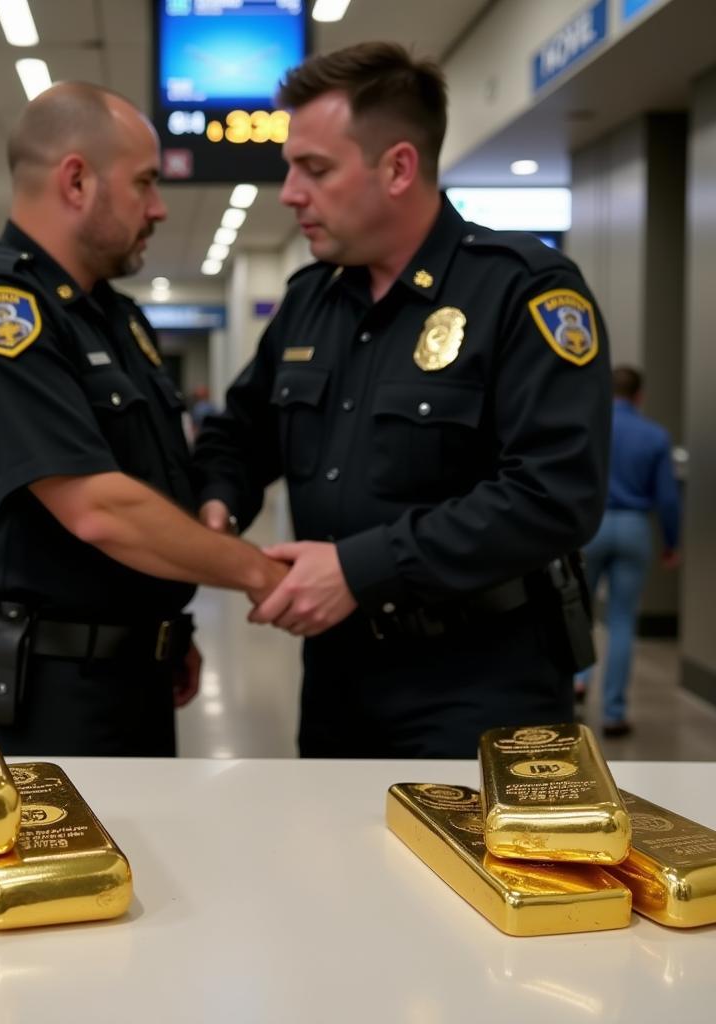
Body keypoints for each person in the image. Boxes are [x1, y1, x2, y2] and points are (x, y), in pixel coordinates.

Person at [194, 42, 612, 759]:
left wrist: (363, 568)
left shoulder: (522, 289)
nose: (291, 192)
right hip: (337, 674)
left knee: (466, 873)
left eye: (315, 169)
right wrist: (217, 508)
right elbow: (240, 432)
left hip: (482, 680)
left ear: (398, 167)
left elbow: (554, 493)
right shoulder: (310, 301)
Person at [0, 82, 285, 756]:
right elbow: (98, 508)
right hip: (26, 693)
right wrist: (260, 573)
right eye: (144, 183)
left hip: (125, 675)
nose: (160, 208)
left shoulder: (117, 319)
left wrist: (169, 625)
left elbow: (154, 483)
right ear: (76, 181)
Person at [575, 366, 681, 738]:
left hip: (592, 524)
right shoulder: (655, 436)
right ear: (640, 395)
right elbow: (667, 497)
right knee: (621, 620)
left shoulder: (591, 429)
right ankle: (615, 713)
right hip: (635, 527)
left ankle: (577, 680)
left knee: (580, 611)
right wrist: (671, 542)